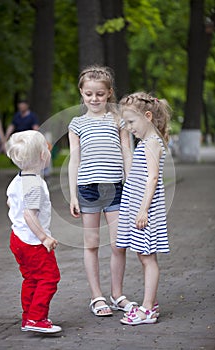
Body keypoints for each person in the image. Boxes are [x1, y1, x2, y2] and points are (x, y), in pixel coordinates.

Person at [68, 65, 137, 317]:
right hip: (88, 190)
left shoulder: (118, 120)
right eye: (89, 94)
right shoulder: (76, 124)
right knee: (92, 243)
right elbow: (74, 160)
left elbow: (126, 152)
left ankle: (117, 294)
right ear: (81, 93)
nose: (94, 99)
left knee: (119, 244)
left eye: (99, 94)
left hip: (117, 188)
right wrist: (73, 194)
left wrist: (132, 184)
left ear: (109, 93)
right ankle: (97, 297)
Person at [116, 92, 171, 326]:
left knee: (148, 257)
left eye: (131, 122)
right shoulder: (145, 142)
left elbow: (152, 177)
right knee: (143, 255)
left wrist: (143, 210)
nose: (129, 127)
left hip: (145, 210)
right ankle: (151, 303)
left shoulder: (151, 144)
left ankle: (148, 308)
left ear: (148, 116)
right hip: (138, 207)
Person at [6, 130, 61, 333]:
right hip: (32, 242)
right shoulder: (34, 185)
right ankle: (37, 319)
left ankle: (28, 316)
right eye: (47, 148)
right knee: (49, 278)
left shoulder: (18, 179)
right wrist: (44, 237)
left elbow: (10, 202)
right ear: (41, 156)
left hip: (17, 238)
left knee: (31, 278)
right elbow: (30, 215)